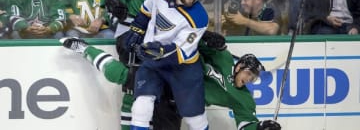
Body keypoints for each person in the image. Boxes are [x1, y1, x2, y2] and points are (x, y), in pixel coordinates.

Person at [59, 33, 282, 130]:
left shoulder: (243, 98)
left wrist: (261, 127)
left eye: (253, 78)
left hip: (177, 104)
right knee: (127, 79)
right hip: (172, 75)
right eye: (249, 75)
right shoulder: (222, 57)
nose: (250, 81)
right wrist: (209, 37)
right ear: (241, 67)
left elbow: (246, 124)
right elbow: (192, 43)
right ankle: (85, 48)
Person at [124, 0, 208, 130]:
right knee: (141, 106)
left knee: (194, 118)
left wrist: (159, 50)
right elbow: (145, 13)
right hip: (153, 60)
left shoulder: (199, 17)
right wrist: (137, 29)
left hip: (183, 67)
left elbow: (181, 52)